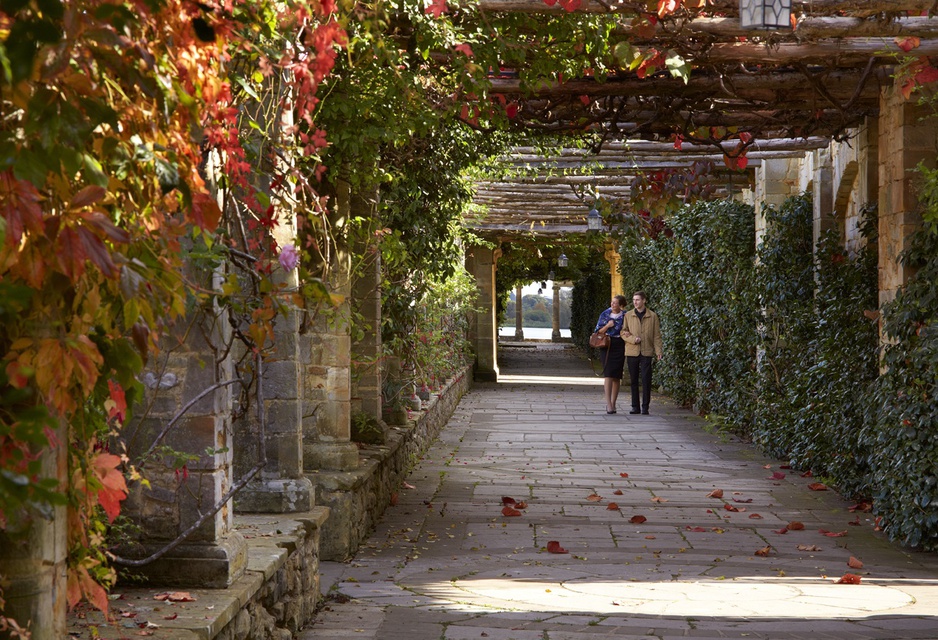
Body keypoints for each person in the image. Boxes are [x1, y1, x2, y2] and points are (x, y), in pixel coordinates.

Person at [622, 290, 663, 415]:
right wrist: (633, 339)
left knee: (646, 380)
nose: (635, 302)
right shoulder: (628, 315)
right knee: (634, 380)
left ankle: (645, 407)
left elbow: (656, 335)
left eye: (638, 299)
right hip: (632, 351)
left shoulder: (653, 316)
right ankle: (635, 406)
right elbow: (623, 332)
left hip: (647, 351)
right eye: (634, 300)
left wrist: (658, 351)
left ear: (644, 300)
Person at [594, 294, 629, 414]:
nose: (612, 304)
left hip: (619, 345)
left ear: (621, 305)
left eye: (615, 303)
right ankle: (608, 404)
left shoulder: (626, 315)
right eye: (612, 302)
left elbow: (629, 330)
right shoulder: (605, 314)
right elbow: (598, 331)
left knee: (616, 376)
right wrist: (608, 325)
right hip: (607, 344)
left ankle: (614, 403)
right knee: (608, 374)